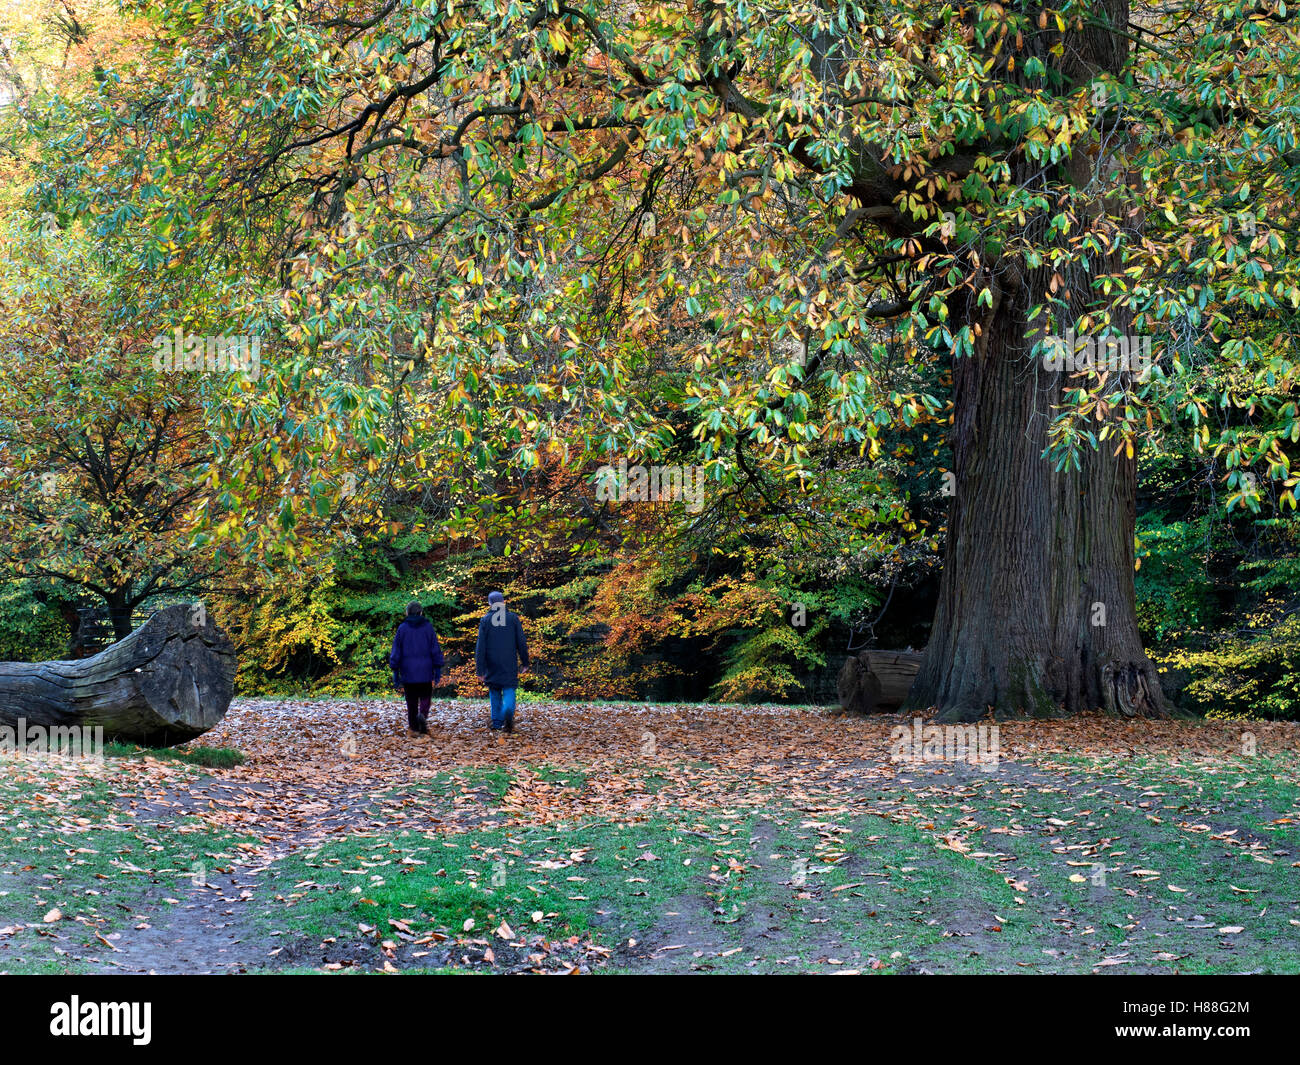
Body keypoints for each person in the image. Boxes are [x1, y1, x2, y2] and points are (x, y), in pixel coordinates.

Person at [474, 590, 528, 733]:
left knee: (494, 691)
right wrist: (525, 661)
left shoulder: (485, 620)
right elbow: (521, 642)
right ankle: (508, 712)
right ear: (503, 602)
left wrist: (479, 669)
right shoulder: (512, 618)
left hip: (491, 662)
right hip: (509, 661)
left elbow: (480, 646)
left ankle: (497, 722)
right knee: (509, 688)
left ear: (489, 603)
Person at [389, 601, 444, 735]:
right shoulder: (428, 628)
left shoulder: (402, 628)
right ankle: (423, 716)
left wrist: (395, 670)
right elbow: (435, 649)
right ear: (421, 612)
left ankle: (414, 726)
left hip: (408, 671)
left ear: (407, 613)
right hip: (425, 670)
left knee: (411, 700)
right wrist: (437, 669)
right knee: (425, 697)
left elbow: (396, 650)